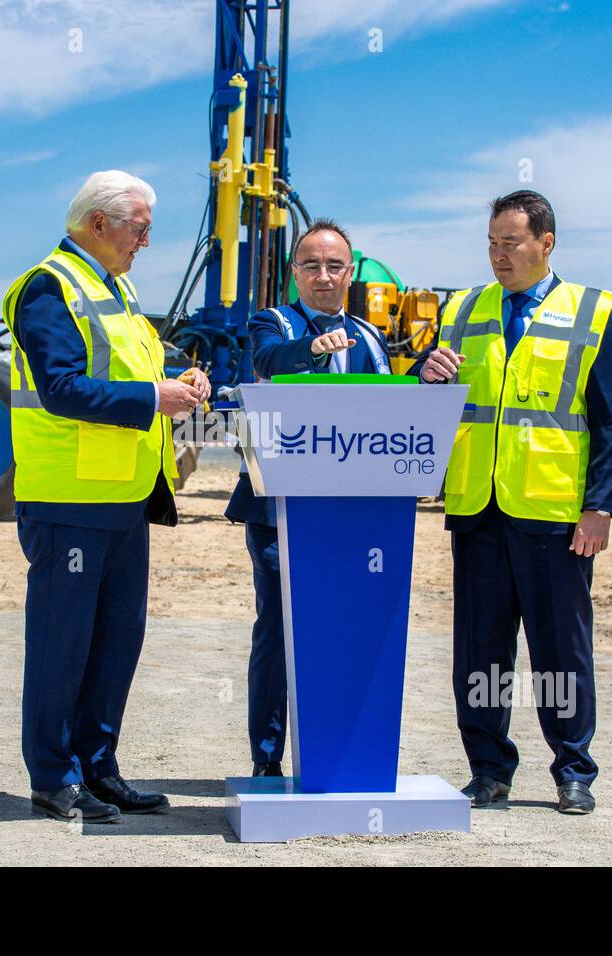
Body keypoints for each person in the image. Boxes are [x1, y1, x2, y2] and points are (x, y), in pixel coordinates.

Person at [1, 170, 211, 823]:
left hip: (122, 497)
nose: (147, 240)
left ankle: (99, 769)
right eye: (140, 227)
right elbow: (62, 387)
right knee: (63, 643)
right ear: (98, 223)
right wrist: (157, 397)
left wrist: (175, 381)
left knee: (116, 641)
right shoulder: (49, 289)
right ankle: (55, 777)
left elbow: (124, 374)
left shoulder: (113, 288)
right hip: (69, 501)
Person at [411, 190, 612, 815]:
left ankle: (574, 771)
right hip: (479, 507)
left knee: (560, 649)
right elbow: (438, 400)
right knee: (480, 651)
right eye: (491, 243)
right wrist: (425, 374)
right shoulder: (465, 308)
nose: (498, 255)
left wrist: (601, 507)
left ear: (546, 243)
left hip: (554, 514)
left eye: (511, 242)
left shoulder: (594, 311)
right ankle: (488, 770)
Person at [224, 218, 393, 777]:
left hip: (353, 515)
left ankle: (338, 756)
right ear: (294, 272)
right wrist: (312, 349)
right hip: (280, 512)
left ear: (351, 273)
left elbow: (390, 413)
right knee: (279, 631)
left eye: (334, 266)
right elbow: (271, 361)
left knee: (347, 629)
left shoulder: (370, 338)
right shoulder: (272, 322)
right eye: (311, 266)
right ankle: (267, 761)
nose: (323, 276)